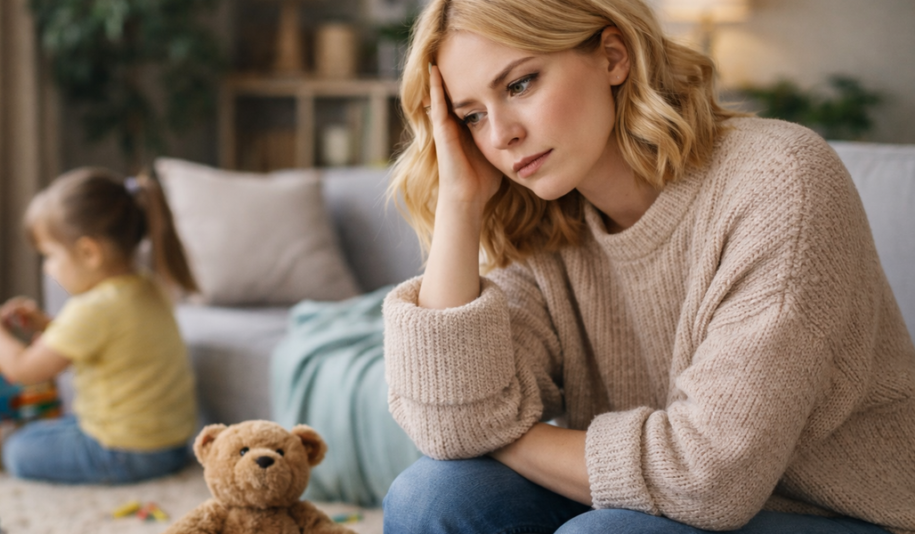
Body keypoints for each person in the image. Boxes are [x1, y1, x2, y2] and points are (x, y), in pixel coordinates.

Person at [380, 0, 915, 533]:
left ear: (614, 56)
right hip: (647, 502)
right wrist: (460, 200)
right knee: (431, 497)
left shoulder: (781, 180)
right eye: (471, 115)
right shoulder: (542, 225)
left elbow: (708, 477)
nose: (500, 136)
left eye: (520, 85)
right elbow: (444, 421)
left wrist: (498, 431)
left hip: (840, 514)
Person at [0, 167, 201, 484]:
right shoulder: (145, 285)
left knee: (16, 449)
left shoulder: (93, 308)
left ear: (88, 252)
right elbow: (105, 344)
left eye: (50, 256)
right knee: (53, 426)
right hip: (170, 443)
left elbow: (24, 370)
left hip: (125, 451)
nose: (48, 268)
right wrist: (45, 325)